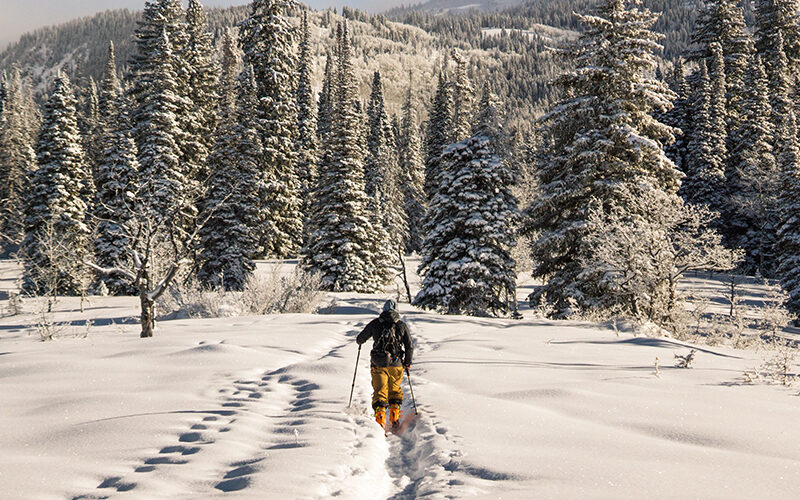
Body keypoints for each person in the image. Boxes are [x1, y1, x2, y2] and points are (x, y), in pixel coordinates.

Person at [356, 299, 413, 430]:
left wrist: (361, 342)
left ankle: (380, 422)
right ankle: (394, 418)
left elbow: (360, 339)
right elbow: (409, 345)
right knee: (394, 391)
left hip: (378, 363)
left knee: (380, 392)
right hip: (396, 364)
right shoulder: (401, 325)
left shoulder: (376, 323)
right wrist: (408, 362)